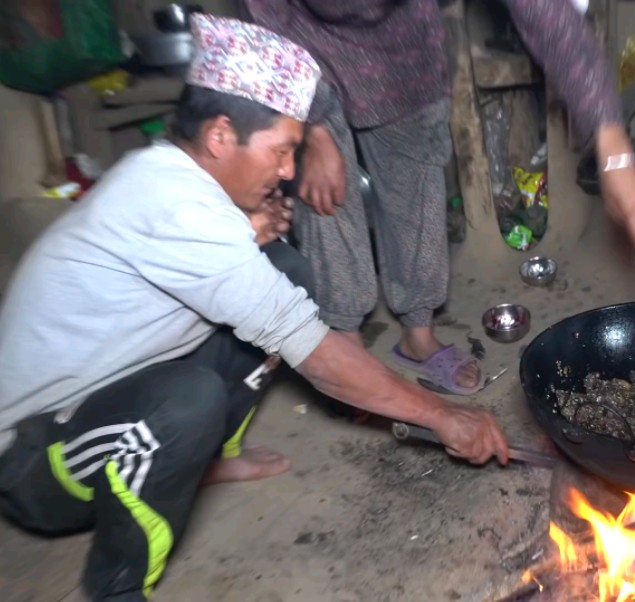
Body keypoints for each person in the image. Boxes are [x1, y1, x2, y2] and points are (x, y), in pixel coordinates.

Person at [0, 14, 508, 602]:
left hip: (104, 398)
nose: (288, 172)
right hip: (34, 458)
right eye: (283, 150)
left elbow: (249, 288)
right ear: (220, 136)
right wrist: (442, 416)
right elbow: (314, 353)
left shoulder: (175, 181)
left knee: (285, 270)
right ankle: (112, 588)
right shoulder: (175, 209)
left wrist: (247, 235)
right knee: (187, 402)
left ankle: (213, 457)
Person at [240, 0, 635, 396]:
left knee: (417, 182)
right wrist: (311, 128)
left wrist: (612, 143)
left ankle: (418, 335)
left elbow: (547, 12)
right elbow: (271, 16)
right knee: (326, 194)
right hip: (306, 57)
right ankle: (346, 341)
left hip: (405, 52)